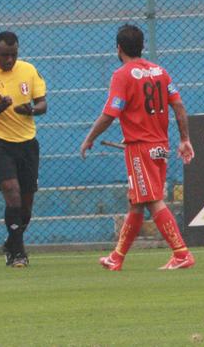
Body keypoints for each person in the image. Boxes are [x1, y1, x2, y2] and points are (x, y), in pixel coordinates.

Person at [80, 24, 196, 271]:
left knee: (152, 200)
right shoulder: (160, 71)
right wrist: (184, 139)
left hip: (140, 148)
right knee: (137, 202)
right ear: (142, 46)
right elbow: (178, 106)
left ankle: (181, 253)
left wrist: (90, 137)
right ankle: (117, 257)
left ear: (118, 48)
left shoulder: (122, 75)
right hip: (160, 146)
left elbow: (110, 113)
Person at [0, 31, 47, 268]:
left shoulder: (29, 70)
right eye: (4, 55)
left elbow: (42, 103)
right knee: (12, 193)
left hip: (27, 144)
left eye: (13, 54)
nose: (9, 60)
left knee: (26, 207)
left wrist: (31, 110)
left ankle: (11, 243)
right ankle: (19, 254)